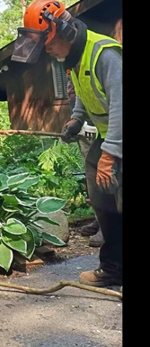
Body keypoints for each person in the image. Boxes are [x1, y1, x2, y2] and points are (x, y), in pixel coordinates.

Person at [12, 0, 122, 288]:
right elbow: (87, 93)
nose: (46, 49)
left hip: (118, 133)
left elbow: (121, 106)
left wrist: (110, 155)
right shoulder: (73, 59)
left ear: (65, 31)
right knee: (101, 197)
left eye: (47, 42)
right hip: (108, 134)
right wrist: (76, 118)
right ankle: (113, 268)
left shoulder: (105, 55)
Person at [66, 71, 103, 247]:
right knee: (92, 177)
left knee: (108, 177)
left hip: (107, 126)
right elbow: (79, 97)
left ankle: (111, 226)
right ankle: (101, 219)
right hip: (87, 123)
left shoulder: (103, 57)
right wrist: (75, 121)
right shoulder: (72, 64)